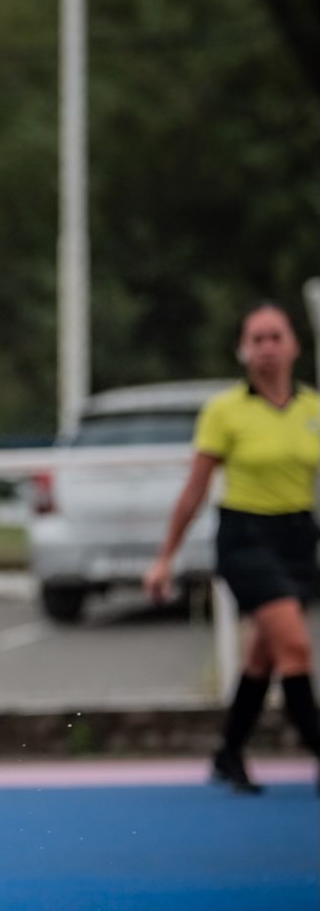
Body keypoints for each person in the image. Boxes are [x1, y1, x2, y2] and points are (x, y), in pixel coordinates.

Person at [144, 302, 320, 793]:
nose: (267, 348)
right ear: (244, 350)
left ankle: (228, 751)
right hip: (246, 538)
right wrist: (164, 557)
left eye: (276, 337)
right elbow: (194, 490)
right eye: (257, 339)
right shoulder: (225, 411)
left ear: (294, 346)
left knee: (264, 654)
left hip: (296, 537)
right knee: (295, 646)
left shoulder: (312, 409)